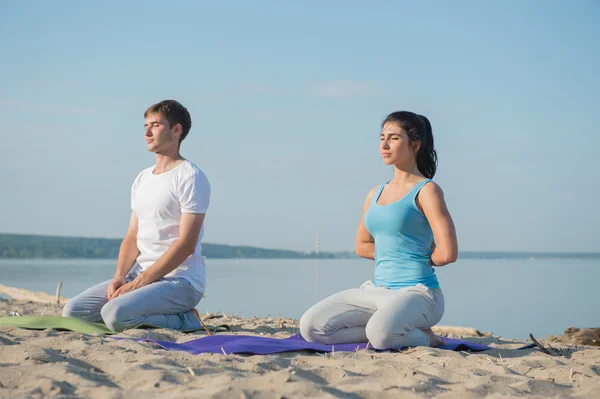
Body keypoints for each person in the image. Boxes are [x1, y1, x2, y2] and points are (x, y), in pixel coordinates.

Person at [300, 111, 458, 349]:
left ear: (415, 145)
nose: (384, 144)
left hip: (418, 292)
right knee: (311, 327)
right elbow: (362, 245)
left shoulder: (427, 190)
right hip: (376, 290)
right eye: (382, 137)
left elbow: (447, 253)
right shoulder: (375, 193)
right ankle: (391, 329)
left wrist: (413, 256)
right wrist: (391, 251)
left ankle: (427, 337)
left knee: (382, 336)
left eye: (394, 138)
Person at [62, 100, 210, 332]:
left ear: (176, 130)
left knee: (115, 315)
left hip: (181, 282)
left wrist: (139, 284)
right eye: (145, 126)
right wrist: (120, 277)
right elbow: (133, 236)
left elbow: (187, 244)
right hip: (140, 275)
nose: (147, 132)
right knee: (73, 312)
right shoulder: (143, 178)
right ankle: (140, 305)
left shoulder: (191, 177)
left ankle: (186, 320)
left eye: (155, 125)